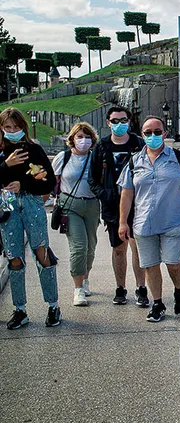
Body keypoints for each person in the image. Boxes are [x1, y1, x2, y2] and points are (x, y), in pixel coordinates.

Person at [118, 116, 180, 323]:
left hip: (173, 221)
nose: (152, 136)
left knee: (173, 262)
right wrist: (122, 222)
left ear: (164, 134)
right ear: (142, 135)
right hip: (144, 223)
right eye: (148, 132)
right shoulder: (134, 161)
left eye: (157, 132)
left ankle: (179, 291)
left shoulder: (178, 158)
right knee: (151, 265)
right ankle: (157, 304)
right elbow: (127, 193)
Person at [0, 108, 60, 329]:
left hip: (32, 202)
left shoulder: (33, 149)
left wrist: (23, 184)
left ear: (23, 127)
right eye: (7, 127)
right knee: (13, 256)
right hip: (7, 204)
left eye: (16, 127)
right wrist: (7, 165)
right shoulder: (1, 152)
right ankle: (19, 309)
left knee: (41, 251)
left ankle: (53, 305)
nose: (12, 131)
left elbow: (48, 180)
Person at [88, 106, 148, 307]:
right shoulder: (102, 147)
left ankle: (141, 288)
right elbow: (93, 179)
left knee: (137, 247)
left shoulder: (139, 144)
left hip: (139, 205)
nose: (119, 124)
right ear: (108, 123)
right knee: (118, 249)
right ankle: (120, 288)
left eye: (123, 120)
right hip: (112, 206)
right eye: (115, 121)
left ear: (129, 122)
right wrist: (105, 194)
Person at [52, 123, 101, 307]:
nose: (83, 140)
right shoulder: (63, 158)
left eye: (87, 137)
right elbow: (53, 181)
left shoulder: (96, 157)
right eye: (79, 136)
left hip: (92, 205)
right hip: (70, 205)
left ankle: (85, 278)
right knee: (79, 247)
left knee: (90, 248)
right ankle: (78, 289)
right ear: (72, 139)